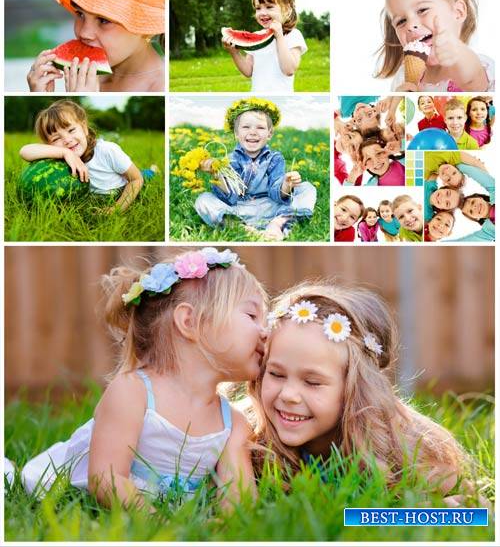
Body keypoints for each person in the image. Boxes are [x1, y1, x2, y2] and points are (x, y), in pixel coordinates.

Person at [10, 249, 266, 504]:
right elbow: (106, 478)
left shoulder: (232, 422)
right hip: (71, 494)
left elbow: (239, 498)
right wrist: (159, 526)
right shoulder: (133, 392)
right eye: (252, 316)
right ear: (190, 322)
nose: (265, 332)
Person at [252, 280, 476, 500]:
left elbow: (477, 511)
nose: (288, 395)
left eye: (312, 382)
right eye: (276, 374)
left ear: (357, 389)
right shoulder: (248, 441)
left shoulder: (404, 452)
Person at [195, 99, 316, 241]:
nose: (253, 132)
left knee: (306, 188)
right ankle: (242, 227)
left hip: (271, 206)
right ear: (236, 133)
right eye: (246, 127)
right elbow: (231, 198)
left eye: (260, 128)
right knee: (203, 200)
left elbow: (275, 193)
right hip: (238, 209)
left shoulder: (275, 159)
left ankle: (278, 223)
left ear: (270, 134)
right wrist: (217, 175)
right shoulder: (228, 160)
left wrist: (287, 184)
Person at [27, 0, 165, 93]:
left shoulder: (161, 88)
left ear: (147, 28)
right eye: (80, 14)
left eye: (104, 20)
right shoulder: (86, 76)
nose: (83, 33)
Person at [19, 100, 157, 214]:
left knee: (145, 175)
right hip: (93, 195)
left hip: (123, 185)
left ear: (84, 128)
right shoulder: (62, 158)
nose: (67, 140)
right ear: (49, 145)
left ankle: (153, 169)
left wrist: (117, 208)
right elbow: (24, 151)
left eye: (71, 130)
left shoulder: (107, 151)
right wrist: (65, 153)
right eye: (56, 138)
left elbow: (135, 179)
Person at [377, 0, 494, 93]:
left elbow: (471, 81)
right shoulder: (403, 77)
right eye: (401, 21)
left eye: (422, 10)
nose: (411, 25)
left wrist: (457, 50)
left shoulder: (473, 64)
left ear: (458, 12)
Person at [222, 0, 306, 95]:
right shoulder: (257, 35)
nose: (262, 13)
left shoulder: (293, 35)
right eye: (258, 8)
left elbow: (289, 70)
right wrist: (234, 52)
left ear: (287, 9)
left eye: (269, 7)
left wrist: (279, 36)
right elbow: (248, 71)